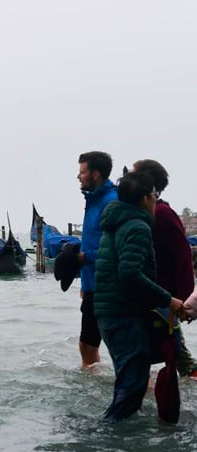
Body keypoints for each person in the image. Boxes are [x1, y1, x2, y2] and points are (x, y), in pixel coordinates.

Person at [94, 171, 184, 421]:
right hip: (123, 315)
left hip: (110, 313)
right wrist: (169, 300)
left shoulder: (115, 222)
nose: (156, 200)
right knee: (132, 386)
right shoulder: (137, 227)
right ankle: (104, 434)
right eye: (155, 195)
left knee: (130, 380)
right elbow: (130, 274)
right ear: (145, 198)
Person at [132, 159, 197, 378]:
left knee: (176, 353)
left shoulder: (162, 214)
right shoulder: (146, 215)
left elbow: (183, 257)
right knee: (168, 351)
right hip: (154, 297)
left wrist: (184, 301)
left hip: (164, 299)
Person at [76, 151, 117, 367]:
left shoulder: (110, 202)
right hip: (93, 284)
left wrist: (84, 258)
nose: (78, 176)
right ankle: (90, 389)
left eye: (82, 172)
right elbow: (93, 240)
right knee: (88, 345)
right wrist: (85, 283)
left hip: (107, 286)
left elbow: (113, 248)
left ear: (96, 175)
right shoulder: (93, 200)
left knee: (117, 346)